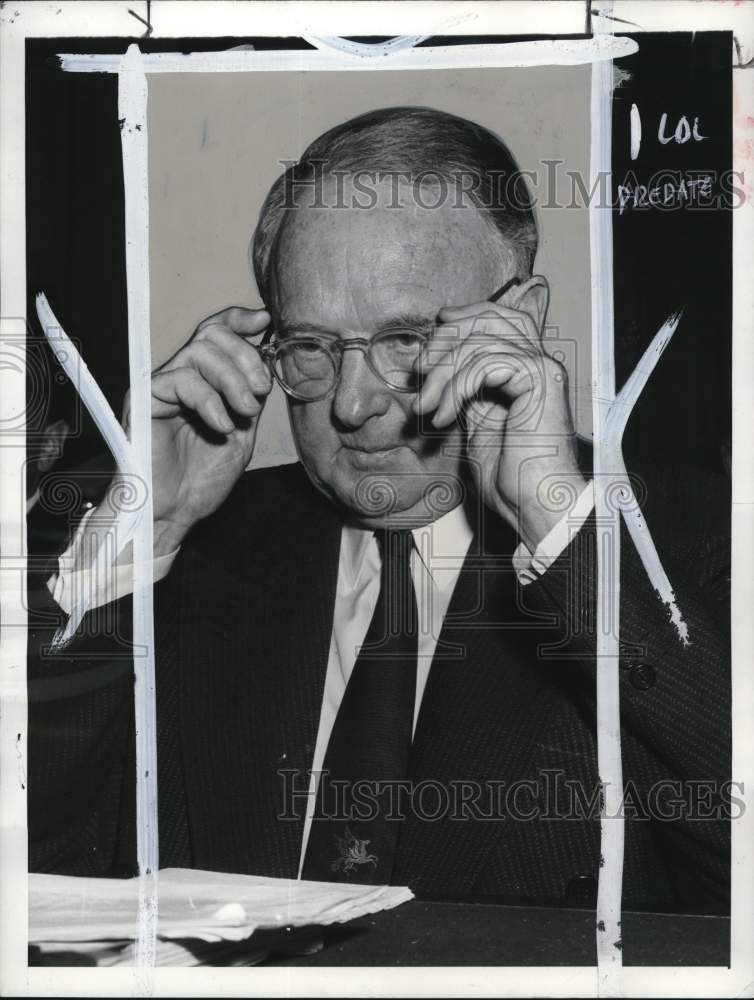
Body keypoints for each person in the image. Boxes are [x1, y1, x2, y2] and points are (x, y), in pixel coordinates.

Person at [28, 107, 730, 912]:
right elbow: (36, 870)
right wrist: (138, 536)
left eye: (404, 340)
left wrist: (562, 527)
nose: (354, 405)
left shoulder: (679, 547)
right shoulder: (188, 554)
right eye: (311, 347)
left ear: (524, 317)